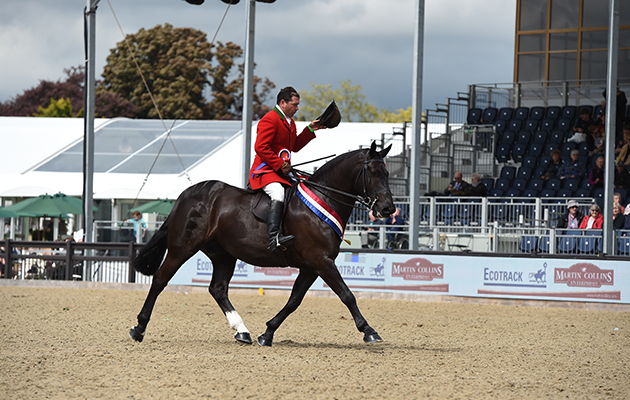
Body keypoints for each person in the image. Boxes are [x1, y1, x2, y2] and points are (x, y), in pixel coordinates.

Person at [248, 86, 326, 253]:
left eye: (298, 105)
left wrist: (311, 129)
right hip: (265, 172)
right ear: (282, 103)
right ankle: (274, 238)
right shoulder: (270, 119)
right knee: (278, 193)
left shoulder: (289, 122)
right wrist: (279, 164)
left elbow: (295, 146)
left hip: (281, 172)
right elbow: (260, 147)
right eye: (294, 104)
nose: (297, 108)